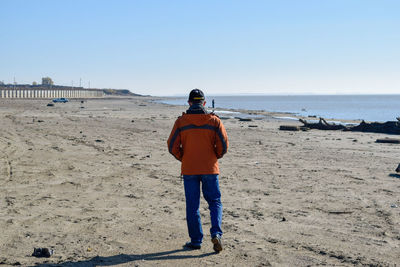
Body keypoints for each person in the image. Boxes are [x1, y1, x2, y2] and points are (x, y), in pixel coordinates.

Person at [167, 89, 229, 253]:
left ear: (189, 103)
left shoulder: (181, 121)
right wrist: (214, 157)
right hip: (210, 168)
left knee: (192, 206)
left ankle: (196, 241)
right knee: (214, 202)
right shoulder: (214, 121)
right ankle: (216, 233)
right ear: (203, 103)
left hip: (190, 169)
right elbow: (223, 146)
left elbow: (172, 147)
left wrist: (185, 158)